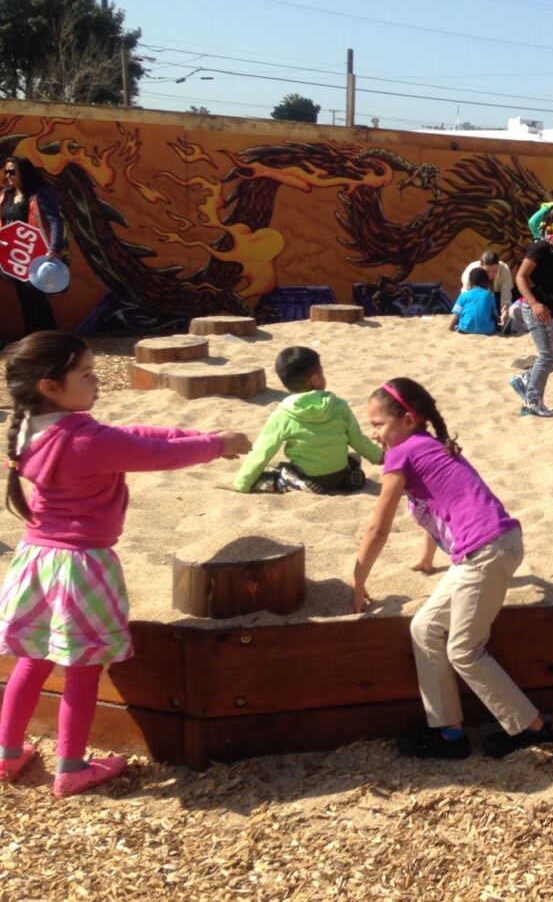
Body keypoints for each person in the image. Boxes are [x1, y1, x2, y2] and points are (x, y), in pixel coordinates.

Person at [0, 332, 250, 795]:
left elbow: (133, 436)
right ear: (50, 387)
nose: (97, 382)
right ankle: (71, 768)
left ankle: (7, 756)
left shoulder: (33, 430)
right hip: (82, 568)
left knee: (30, 661)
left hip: (36, 560)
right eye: (87, 375)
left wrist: (196, 433)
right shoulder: (85, 441)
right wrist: (216, 444)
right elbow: (154, 455)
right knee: (83, 669)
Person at [352, 378, 553, 760]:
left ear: (409, 419)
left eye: (379, 425)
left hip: (486, 550)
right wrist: (428, 559)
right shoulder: (427, 446)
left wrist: (358, 578)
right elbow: (439, 507)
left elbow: (377, 527)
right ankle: (449, 732)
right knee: (425, 627)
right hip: (486, 549)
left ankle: (534, 728)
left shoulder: (403, 453)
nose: (374, 434)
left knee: (464, 649)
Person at [235, 345, 383, 494]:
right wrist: (381, 457)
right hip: (338, 473)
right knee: (351, 459)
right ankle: (349, 475)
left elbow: (262, 450)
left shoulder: (283, 414)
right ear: (315, 379)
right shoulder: (339, 406)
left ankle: (298, 484)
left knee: (280, 471)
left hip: (309, 477)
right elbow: (358, 440)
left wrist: (242, 483)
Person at [509, 204, 553, 418]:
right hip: (537, 308)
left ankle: (527, 378)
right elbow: (520, 276)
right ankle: (532, 402)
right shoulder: (541, 249)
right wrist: (534, 303)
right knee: (547, 356)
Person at [1, 156, 67, 335]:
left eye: (12, 172)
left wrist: (54, 248)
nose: (8, 175)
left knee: (35, 296)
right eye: (6, 171)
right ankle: (33, 337)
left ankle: (48, 337)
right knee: (24, 296)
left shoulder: (40, 193)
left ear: (24, 172)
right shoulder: (6, 195)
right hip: (13, 255)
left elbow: (55, 221)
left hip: (34, 252)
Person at [459, 250, 514, 324]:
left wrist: (505, 312)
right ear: (481, 266)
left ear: (498, 265)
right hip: (477, 297)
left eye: (495, 271)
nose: (490, 275)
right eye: (487, 271)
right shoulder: (471, 271)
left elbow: (506, 295)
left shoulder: (504, 270)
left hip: (497, 294)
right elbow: (465, 295)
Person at [448, 267, 499, 335]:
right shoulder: (489, 296)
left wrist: (451, 326)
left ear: (470, 283)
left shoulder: (464, 295)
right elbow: (495, 316)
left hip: (465, 328)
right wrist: (498, 325)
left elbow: (457, 314)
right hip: (487, 330)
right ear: (487, 282)